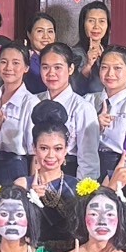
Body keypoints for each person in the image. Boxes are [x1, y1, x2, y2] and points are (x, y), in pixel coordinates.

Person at [18, 102, 81, 252]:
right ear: (34, 148)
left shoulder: (78, 186)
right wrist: (29, 200)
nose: (51, 155)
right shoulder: (22, 184)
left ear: (66, 149)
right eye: (44, 148)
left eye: (58, 148)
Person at [35, 42, 93, 180]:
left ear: (71, 69)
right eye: (45, 67)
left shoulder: (82, 107)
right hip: (34, 172)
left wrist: (81, 188)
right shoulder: (33, 101)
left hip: (69, 174)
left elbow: (88, 158)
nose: (51, 73)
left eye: (58, 67)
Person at [89, 48, 126, 181]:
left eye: (117, 68)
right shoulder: (88, 101)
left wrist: (119, 178)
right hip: (87, 164)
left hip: (116, 167)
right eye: (104, 67)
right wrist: (94, 126)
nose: (110, 73)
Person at [0, 43, 37, 187]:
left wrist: (33, 184)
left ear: (26, 68)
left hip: (16, 167)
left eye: (15, 63)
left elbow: (35, 152)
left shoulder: (30, 103)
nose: (8, 68)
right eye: (3, 62)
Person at [71, 1, 111, 99]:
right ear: (83, 24)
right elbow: (72, 89)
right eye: (91, 21)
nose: (96, 26)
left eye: (102, 21)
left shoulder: (112, 53)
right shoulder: (73, 54)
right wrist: (88, 65)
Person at [23, 12, 59, 94]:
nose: (46, 36)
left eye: (50, 31)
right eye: (40, 31)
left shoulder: (61, 57)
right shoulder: (24, 59)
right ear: (29, 34)